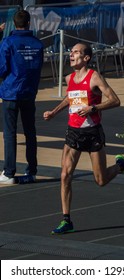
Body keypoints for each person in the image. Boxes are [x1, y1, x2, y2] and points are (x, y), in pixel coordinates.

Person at [43, 42, 124, 234]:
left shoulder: (94, 77)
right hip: (73, 132)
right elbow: (70, 98)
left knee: (100, 180)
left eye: (76, 52)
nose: (71, 54)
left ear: (86, 58)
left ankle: (120, 166)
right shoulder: (69, 78)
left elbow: (115, 100)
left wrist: (93, 108)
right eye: (71, 51)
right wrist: (54, 112)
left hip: (93, 132)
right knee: (65, 175)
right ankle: (66, 219)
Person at [0, 10, 44, 184]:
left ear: (13, 23)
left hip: (11, 92)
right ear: (29, 23)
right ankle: (31, 170)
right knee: (30, 132)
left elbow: (2, 68)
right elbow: (38, 67)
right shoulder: (38, 44)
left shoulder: (8, 42)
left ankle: (9, 172)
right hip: (28, 92)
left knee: (10, 133)